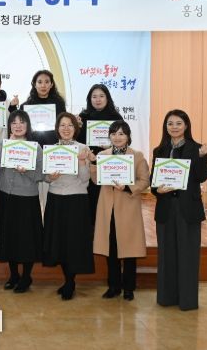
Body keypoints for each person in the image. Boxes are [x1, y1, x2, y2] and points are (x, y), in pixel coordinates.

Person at [151, 109, 207, 311]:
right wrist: (157, 190)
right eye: (170, 123)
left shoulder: (197, 148)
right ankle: (166, 297)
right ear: (165, 127)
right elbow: (153, 182)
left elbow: (201, 177)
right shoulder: (159, 150)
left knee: (188, 255)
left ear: (186, 126)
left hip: (188, 209)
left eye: (178, 123)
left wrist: (202, 157)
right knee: (166, 255)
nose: (174, 127)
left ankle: (187, 300)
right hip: (166, 208)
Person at [91, 120, 149, 301]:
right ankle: (113, 286)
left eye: (121, 133)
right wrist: (93, 164)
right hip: (107, 207)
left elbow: (144, 181)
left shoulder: (137, 156)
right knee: (111, 249)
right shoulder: (103, 155)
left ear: (128, 136)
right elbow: (96, 180)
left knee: (129, 250)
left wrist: (127, 187)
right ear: (109, 136)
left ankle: (129, 288)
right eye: (114, 133)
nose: (117, 137)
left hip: (128, 207)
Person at [42, 113, 94, 300]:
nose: (66, 129)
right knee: (60, 242)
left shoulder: (82, 148)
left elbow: (85, 180)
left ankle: (70, 282)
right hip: (56, 198)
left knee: (73, 242)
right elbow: (46, 177)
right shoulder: (51, 149)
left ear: (75, 128)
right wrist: (50, 177)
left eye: (70, 125)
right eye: (62, 125)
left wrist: (81, 162)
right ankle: (67, 280)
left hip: (76, 200)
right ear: (57, 128)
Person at [0, 110, 43, 293]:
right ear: (9, 126)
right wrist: (2, 150)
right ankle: (14, 275)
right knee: (9, 236)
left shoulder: (35, 147)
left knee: (26, 239)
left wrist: (27, 171)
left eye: (21, 122)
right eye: (14, 122)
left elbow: (41, 175)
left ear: (27, 125)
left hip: (27, 198)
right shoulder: (3, 145)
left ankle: (26, 276)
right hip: (6, 196)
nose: (18, 126)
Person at [77, 84, 123, 224]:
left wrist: (111, 146)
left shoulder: (116, 117)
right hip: (89, 163)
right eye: (94, 96)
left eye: (101, 96)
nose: (98, 99)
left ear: (107, 98)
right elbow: (78, 141)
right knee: (91, 201)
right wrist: (77, 127)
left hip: (110, 163)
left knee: (108, 202)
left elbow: (124, 141)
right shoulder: (83, 117)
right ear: (89, 99)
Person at [19, 69, 66, 147]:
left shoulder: (59, 103)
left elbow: (63, 124)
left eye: (47, 82)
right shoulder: (25, 106)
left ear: (51, 84)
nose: (43, 85)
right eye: (40, 82)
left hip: (54, 146)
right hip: (32, 146)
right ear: (34, 84)